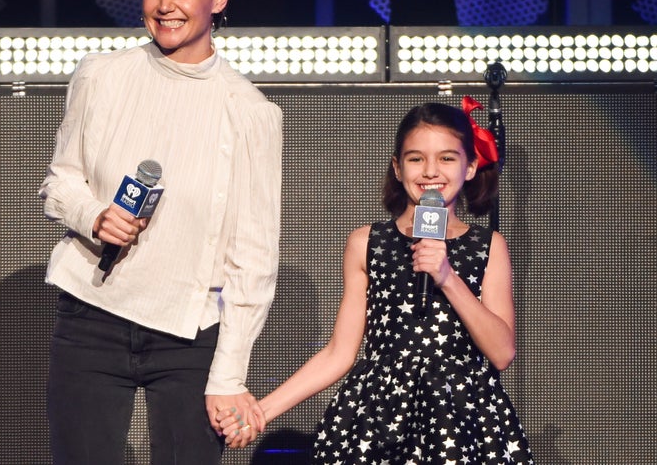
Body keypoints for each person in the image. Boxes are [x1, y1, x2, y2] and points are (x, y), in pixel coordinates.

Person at [39, 0, 281, 464]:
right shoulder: (102, 75)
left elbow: (254, 258)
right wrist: (94, 216)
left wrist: (229, 374)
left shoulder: (250, 111)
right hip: (92, 315)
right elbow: (59, 182)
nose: (165, 6)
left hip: (189, 335)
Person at [218, 98, 533, 463]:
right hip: (381, 418)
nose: (431, 171)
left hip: (461, 419)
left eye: (447, 158)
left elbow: (502, 351)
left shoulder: (488, 246)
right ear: (398, 168)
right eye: (417, 159)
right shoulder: (367, 243)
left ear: (470, 166)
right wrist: (260, 412)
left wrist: (447, 277)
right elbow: (339, 353)